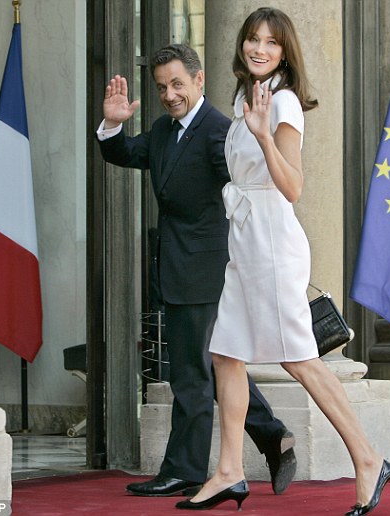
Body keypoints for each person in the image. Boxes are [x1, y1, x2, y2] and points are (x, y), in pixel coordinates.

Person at [175, 8, 390, 514]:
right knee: (225, 352)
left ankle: (369, 459)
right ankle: (229, 470)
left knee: (299, 359)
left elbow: (293, 186)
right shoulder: (246, 97)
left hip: (273, 242)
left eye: (271, 42)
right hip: (245, 241)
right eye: (253, 39)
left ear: (284, 52)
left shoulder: (284, 101)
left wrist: (261, 135)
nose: (260, 48)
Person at [97, 43, 297, 497]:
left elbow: (251, 190)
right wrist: (113, 124)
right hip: (179, 266)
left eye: (177, 84)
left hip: (207, 268)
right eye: (161, 87)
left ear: (199, 80)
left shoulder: (218, 131)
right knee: (212, 363)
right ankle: (272, 434)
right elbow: (125, 153)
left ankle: (185, 469)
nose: (169, 95)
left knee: (191, 371)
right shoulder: (164, 130)